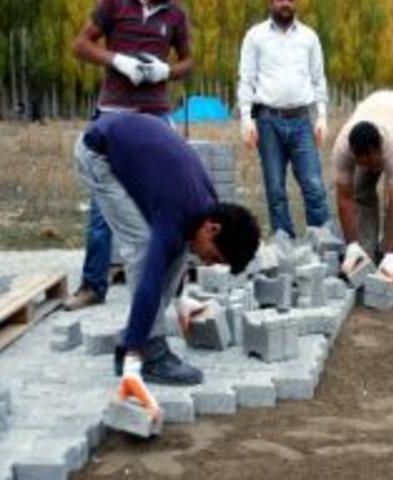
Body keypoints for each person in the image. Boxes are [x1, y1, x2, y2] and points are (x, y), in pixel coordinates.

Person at [74, 112, 260, 394]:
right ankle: (148, 353)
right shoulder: (175, 214)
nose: (207, 262)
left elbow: (179, 252)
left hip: (130, 142)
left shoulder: (205, 208)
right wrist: (133, 361)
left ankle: (137, 337)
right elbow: (150, 278)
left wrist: (179, 299)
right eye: (214, 257)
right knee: (142, 245)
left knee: (179, 247)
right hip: (97, 152)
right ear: (213, 229)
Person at [66, 0, 194, 311]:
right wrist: (117, 60)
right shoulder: (115, 5)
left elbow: (189, 62)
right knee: (103, 206)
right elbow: (80, 45)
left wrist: (166, 71)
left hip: (156, 116)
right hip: (113, 113)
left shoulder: (175, 14)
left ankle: (169, 284)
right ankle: (93, 285)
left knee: (165, 199)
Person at [237, 0, 330, 240]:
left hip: (302, 120)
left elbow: (318, 78)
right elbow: (246, 78)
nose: (285, 3)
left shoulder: (309, 37)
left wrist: (322, 116)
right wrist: (246, 119)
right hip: (267, 121)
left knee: (313, 184)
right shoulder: (255, 36)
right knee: (275, 187)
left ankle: (321, 238)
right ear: (271, 3)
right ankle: (283, 239)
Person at [332, 91, 393, 285]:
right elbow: (345, 199)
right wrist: (351, 246)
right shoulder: (342, 150)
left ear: (380, 149)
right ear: (353, 154)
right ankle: (365, 256)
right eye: (363, 163)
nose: (369, 167)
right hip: (379, 109)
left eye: (373, 161)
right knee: (361, 191)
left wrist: (391, 254)